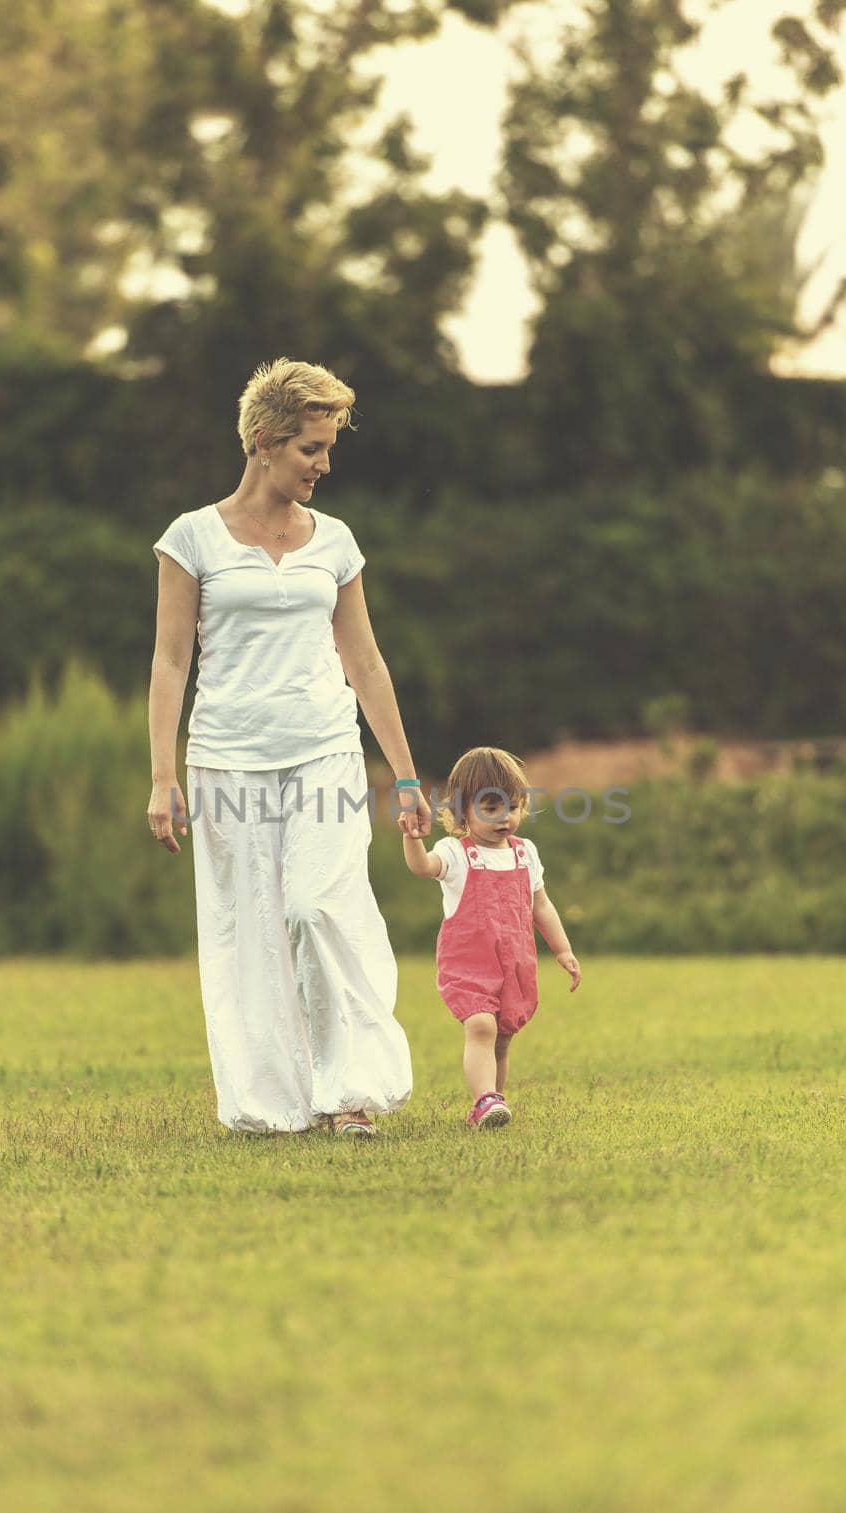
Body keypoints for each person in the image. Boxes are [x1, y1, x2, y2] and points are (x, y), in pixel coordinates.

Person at [146, 357, 431, 1138]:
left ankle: (352, 1093)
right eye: (312, 448)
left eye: (328, 447)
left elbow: (365, 661)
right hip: (227, 757)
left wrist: (405, 776)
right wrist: (162, 774)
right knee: (252, 932)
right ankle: (277, 1104)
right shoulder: (191, 540)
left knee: (319, 907)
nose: (324, 465)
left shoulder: (335, 542)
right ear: (265, 442)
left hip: (324, 750)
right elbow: (171, 662)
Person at [402, 746, 581, 1129]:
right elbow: (422, 867)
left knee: (501, 1038)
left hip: (514, 964)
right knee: (481, 1026)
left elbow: (542, 906)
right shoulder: (455, 853)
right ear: (463, 810)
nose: (505, 818)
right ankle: (484, 1099)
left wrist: (562, 949)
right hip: (469, 965)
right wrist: (412, 839)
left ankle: (492, 1105)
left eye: (512, 807)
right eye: (491, 808)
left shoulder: (525, 853)